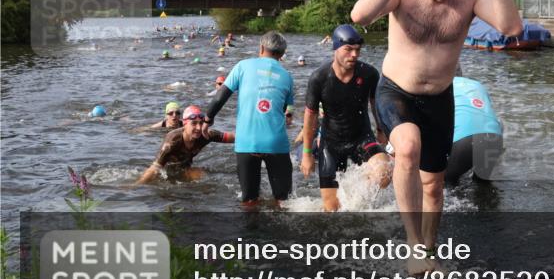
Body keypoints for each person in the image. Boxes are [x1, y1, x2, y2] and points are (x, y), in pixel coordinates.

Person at [351, 0, 520, 271]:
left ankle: (428, 251)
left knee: (434, 185)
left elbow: (511, 27)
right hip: (396, 91)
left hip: (440, 98)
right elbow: (360, 15)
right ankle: (414, 247)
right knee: (408, 148)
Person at [300, 25, 391, 212]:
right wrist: (307, 153)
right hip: (331, 144)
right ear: (335, 48)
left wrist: (382, 131)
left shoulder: (369, 74)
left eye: (357, 50)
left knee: (384, 174)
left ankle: (355, 197)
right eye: (348, 49)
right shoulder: (319, 78)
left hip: (362, 138)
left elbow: (376, 105)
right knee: (331, 210)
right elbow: (310, 118)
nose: (354, 55)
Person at [206, 31, 295, 208]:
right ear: (282, 54)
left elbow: (220, 96)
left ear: (261, 48)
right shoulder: (287, 77)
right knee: (283, 201)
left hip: (247, 141)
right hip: (275, 143)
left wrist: (208, 119)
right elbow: (286, 110)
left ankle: (250, 232)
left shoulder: (242, 66)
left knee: (249, 200)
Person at [135, 106, 235, 184]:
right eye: (194, 123)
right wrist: (136, 186)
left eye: (201, 123)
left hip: (185, 168)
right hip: (166, 170)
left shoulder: (206, 135)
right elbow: (155, 167)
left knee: (201, 177)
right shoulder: (172, 140)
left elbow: (233, 137)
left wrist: (249, 140)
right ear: (184, 124)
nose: (199, 128)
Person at [445, 75, 503, 184]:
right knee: (483, 186)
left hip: (465, 142)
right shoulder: (477, 85)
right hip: (494, 137)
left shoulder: (442, 85)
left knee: (446, 185)